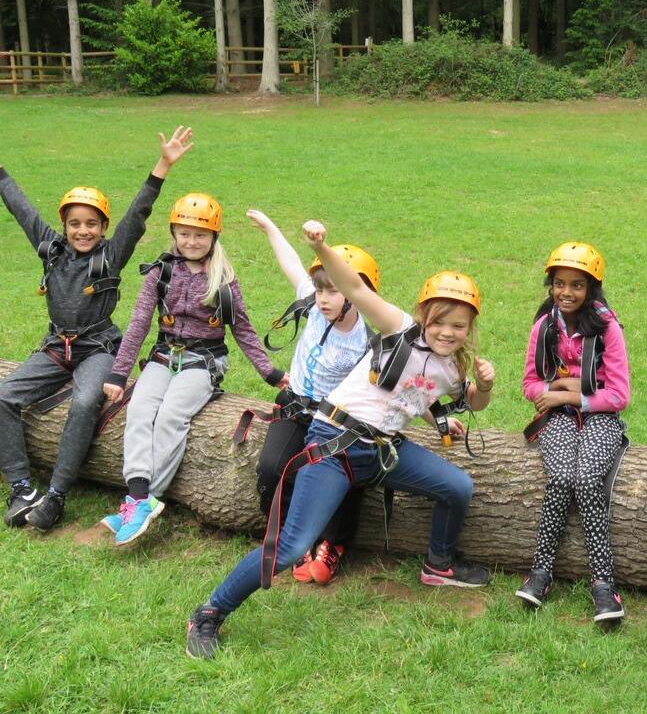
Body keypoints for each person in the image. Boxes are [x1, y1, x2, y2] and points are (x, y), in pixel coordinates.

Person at [184, 219, 496, 659]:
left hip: (383, 450)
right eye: (441, 321)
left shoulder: (454, 367)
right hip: (334, 445)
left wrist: (483, 384)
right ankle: (209, 612)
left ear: (470, 328)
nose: (448, 332)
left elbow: (471, 403)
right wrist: (323, 247)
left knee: (458, 486)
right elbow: (356, 288)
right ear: (424, 314)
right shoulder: (399, 328)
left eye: (460, 326)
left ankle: (438, 564)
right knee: (291, 547)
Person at [0, 127, 192, 532]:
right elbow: (22, 211)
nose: (82, 230)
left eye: (92, 224)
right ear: (64, 226)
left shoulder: (112, 255)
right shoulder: (51, 248)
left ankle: (56, 495)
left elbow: (138, 214)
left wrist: (163, 165)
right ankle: (22, 487)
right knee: (3, 397)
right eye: (75, 223)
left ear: (104, 227)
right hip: (56, 346)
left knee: (87, 401)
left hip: (98, 348)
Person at [99, 193, 286, 547]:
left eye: (200, 235)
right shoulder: (161, 271)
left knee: (171, 415)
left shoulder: (224, 279)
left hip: (203, 362)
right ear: (174, 233)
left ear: (214, 237)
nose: (191, 241)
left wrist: (270, 373)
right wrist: (118, 374)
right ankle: (137, 496)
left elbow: (242, 329)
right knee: (140, 407)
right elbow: (139, 324)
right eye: (184, 233)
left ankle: (146, 500)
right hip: (164, 356)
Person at [248, 208, 379, 585]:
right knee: (273, 468)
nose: (323, 298)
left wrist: (437, 415)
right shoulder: (312, 305)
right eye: (321, 289)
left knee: (341, 474)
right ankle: (294, 533)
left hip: (333, 421)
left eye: (333, 290)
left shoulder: (367, 342)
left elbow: (399, 379)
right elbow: (290, 262)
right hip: (296, 406)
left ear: (359, 293)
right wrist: (273, 227)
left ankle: (332, 543)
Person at [515, 242, 631, 624]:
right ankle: (541, 572)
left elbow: (619, 395)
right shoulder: (544, 326)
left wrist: (569, 393)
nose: (566, 292)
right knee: (562, 477)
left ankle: (604, 583)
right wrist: (552, 394)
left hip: (599, 415)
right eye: (559, 284)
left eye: (577, 285)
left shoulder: (607, 328)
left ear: (592, 289)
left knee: (587, 478)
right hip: (557, 416)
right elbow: (531, 383)